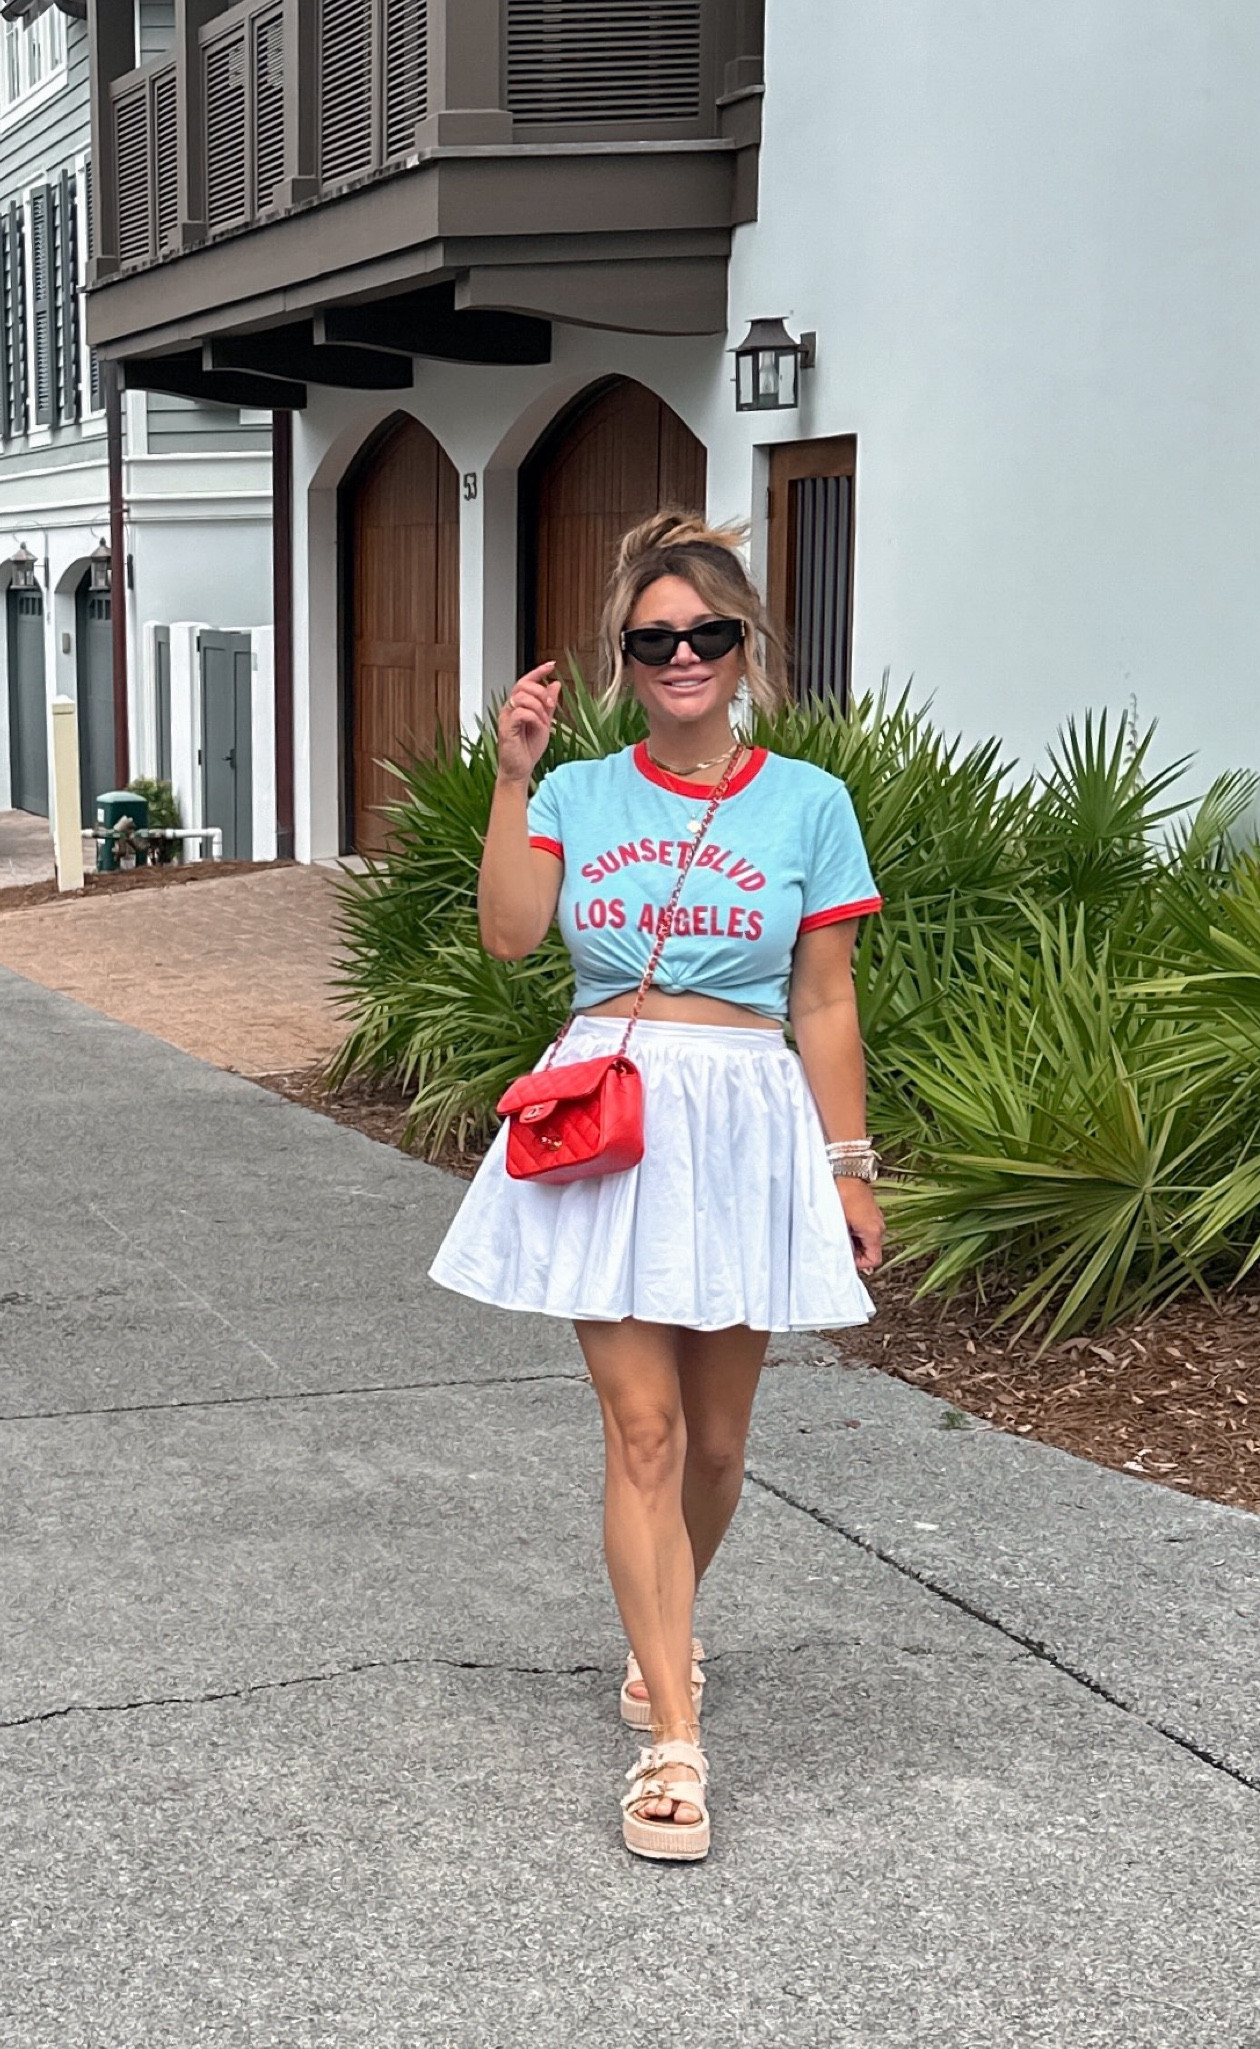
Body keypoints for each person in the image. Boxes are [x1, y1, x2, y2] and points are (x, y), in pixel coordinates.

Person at [431, 511, 884, 1861]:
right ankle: (673, 1740)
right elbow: (514, 938)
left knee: (720, 1447)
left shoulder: (807, 801)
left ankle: (657, 1634)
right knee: (643, 1432)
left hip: (745, 1116)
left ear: (746, 649)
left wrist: (851, 1167)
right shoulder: (576, 791)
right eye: (654, 638)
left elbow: (825, 999)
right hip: (610, 1113)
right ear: (624, 658)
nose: (683, 655)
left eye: (708, 634)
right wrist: (515, 776)